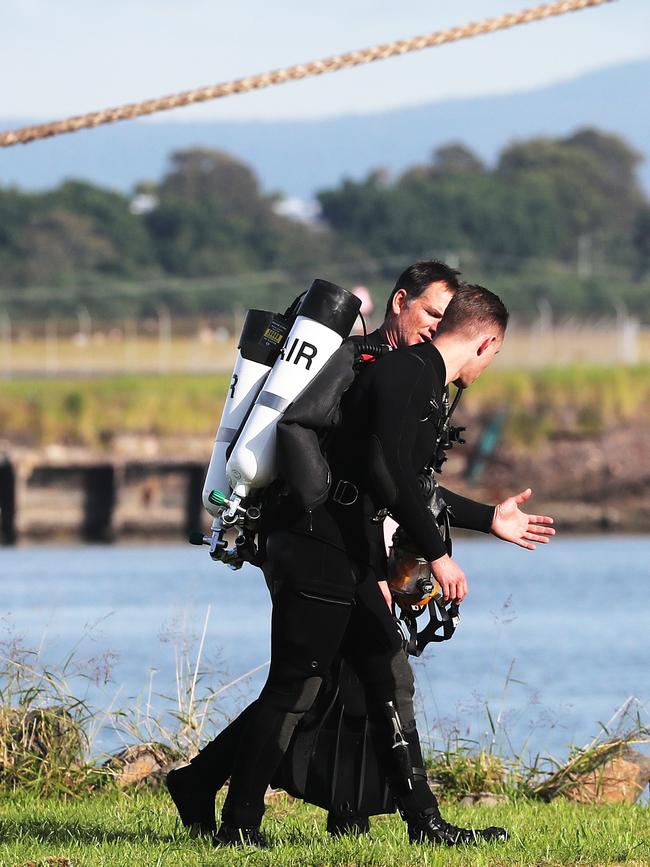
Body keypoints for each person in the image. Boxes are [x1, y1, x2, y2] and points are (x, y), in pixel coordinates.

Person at [167, 272, 554, 847]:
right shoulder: (390, 370)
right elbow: (387, 477)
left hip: (344, 546)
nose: (431, 327)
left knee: (380, 671)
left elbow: (401, 484)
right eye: (429, 313)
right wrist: (438, 553)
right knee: (299, 683)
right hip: (317, 540)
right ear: (488, 344)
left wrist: (486, 519)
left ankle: (424, 823)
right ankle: (238, 825)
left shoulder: (410, 374)